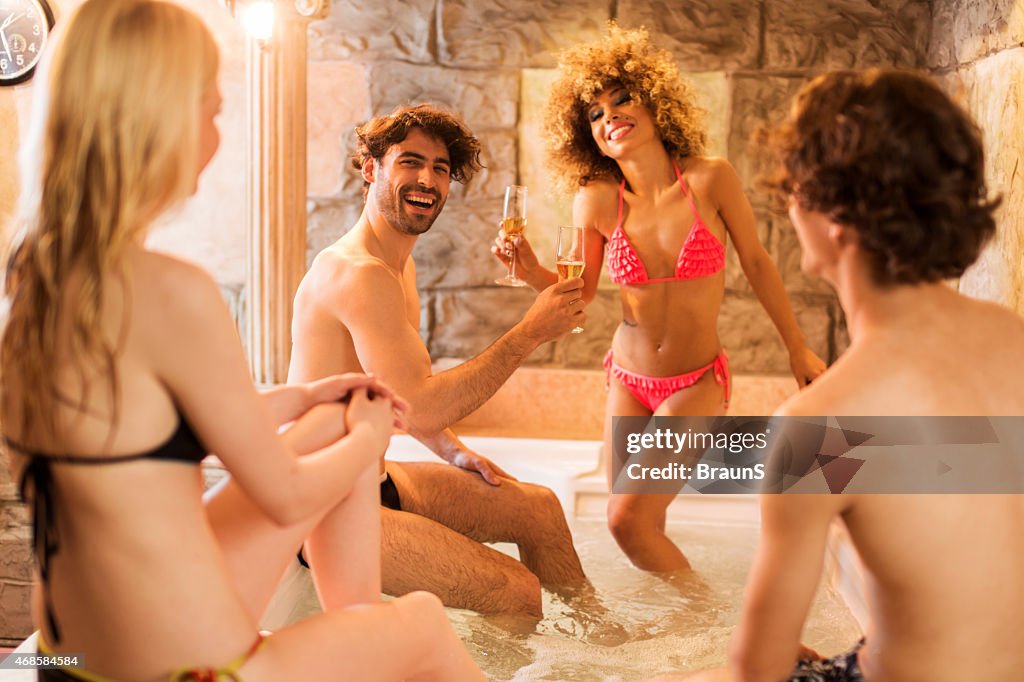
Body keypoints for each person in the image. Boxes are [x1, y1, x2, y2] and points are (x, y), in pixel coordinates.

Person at [0, 2, 484, 680]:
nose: (215, 131)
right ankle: (370, 630)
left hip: (71, 657)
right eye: (209, 108)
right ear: (156, 121)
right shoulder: (171, 291)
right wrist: (371, 441)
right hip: (184, 667)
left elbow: (145, 432)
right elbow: (285, 494)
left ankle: (359, 624)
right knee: (426, 618)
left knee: (330, 418)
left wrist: (308, 398)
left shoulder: (32, 279)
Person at [655, 69, 1024, 682]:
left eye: (797, 190)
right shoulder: (1013, 338)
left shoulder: (820, 424)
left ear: (835, 214)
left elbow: (755, 671)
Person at [493, 25, 827, 572]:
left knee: (627, 521)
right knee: (637, 525)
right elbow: (578, 295)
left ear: (655, 103)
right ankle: (667, 639)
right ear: (587, 136)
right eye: (595, 114)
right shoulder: (596, 200)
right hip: (627, 380)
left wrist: (797, 348)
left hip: (695, 382)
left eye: (621, 100)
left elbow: (760, 263)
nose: (609, 117)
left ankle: (703, 619)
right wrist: (530, 270)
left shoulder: (710, 180)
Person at [288, 103, 588, 617]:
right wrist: (530, 333)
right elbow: (421, 405)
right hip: (324, 508)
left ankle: (602, 649)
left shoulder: (394, 265)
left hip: (373, 482)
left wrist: (452, 452)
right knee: (515, 591)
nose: (427, 179)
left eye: (441, 168)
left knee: (539, 509)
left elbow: (394, 390)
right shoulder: (358, 274)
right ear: (371, 169)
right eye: (410, 162)